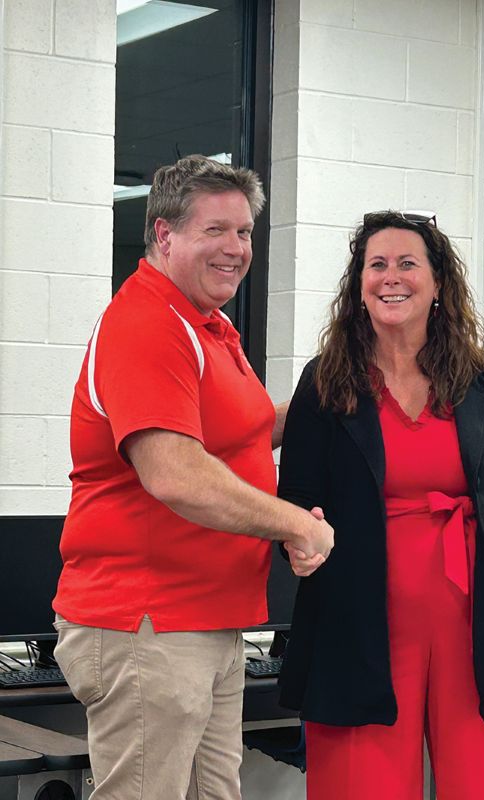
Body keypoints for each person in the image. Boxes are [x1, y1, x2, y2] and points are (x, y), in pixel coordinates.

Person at [276, 210, 484, 800]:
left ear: (438, 284)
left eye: (407, 263)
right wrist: (298, 541)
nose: (390, 277)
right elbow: (295, 503)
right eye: (377, 265)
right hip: (359, 622)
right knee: (361, 788)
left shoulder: (482, 378)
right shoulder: (325, 381)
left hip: (478, 622)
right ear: (359, 285)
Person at [52, 155, 333, 800]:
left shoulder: (208, 325)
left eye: (244, 232)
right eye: (216, 231)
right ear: (163, 234)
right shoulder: (147, 324)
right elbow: (176, 473)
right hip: (149, 624)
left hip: (209, 618)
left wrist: (335, 400)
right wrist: (297, 525)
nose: (236, 249)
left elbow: (239, 437)